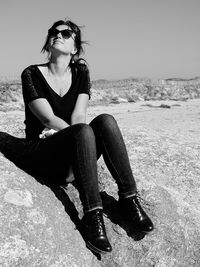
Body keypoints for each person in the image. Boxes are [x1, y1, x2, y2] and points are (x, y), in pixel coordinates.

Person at [19, 19, 154, 254]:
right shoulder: (31, 73)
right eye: (54, 32)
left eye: (66, 33)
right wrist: (76, 135)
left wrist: (80, 140)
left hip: (71, 155)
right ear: (48, 41)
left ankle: (128, 199)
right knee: (83, 131)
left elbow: (79, 115)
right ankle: (93, 214)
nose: (58, 35)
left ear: (74, 48)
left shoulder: (80, 72)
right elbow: (47, 119)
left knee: (106, 121)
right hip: (43, 153)